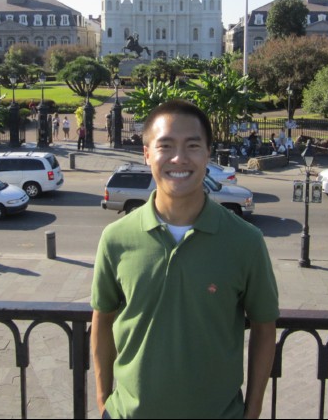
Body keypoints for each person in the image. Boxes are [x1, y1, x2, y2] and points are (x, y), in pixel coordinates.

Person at [91, 100, 279, 419]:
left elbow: (264, 327)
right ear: (147, 153)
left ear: (208, 154)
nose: (179, 158)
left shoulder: (245, 241)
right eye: (166, 145)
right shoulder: (116, 238)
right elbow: (102, 321)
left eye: (192, 145)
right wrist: (103, 399)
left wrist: (253, 410)